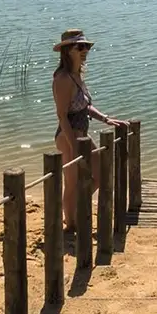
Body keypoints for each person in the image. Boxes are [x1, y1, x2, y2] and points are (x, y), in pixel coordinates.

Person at [51, 29, 122, 233]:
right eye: (79, 47)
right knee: (71, 184)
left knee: (100, 175)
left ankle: (77, 211)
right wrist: (74, 146)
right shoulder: (63, 79)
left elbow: (85, 106)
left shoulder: (77, 75)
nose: (85, 51)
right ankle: (70, 224)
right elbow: (62, 116)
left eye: (87, 46)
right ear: (67, 51)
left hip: (82, 134)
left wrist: (106, 118)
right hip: (68, 136)